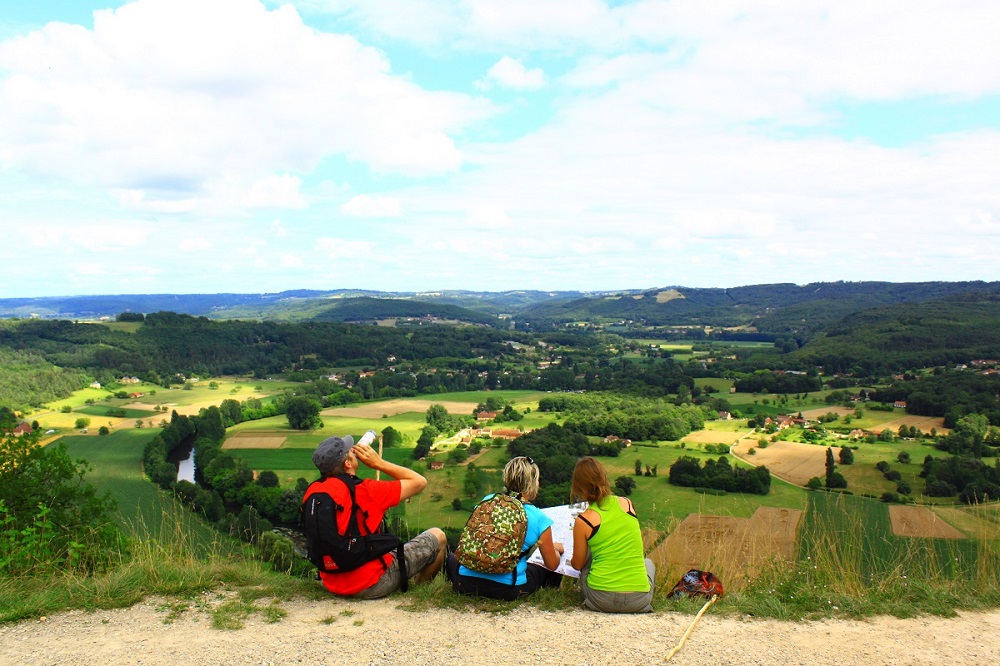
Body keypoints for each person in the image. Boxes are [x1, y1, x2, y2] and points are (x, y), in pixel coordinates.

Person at [303, 433, 447, 598]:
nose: (354, 450)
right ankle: (420, 592)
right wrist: (378, 463)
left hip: (330, 582)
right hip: (369, 583)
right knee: (438, 536)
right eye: (350, 451)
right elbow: (420, 481)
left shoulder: (312, 492)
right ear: (348, 463)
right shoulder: (367, 490)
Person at [446, 456, 564, 600]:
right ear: (532, 484)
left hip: (463, 583)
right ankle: (554, 595)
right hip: (507, 590)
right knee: (541, 567)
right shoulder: (540, 518)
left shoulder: (488, 500)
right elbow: (552, 564)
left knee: (452, 557)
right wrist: (556, 550)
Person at [570, 456, 655, 613]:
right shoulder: (627, 504)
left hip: (601, 599)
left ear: (578, 487)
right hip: (638, 601)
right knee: (648, 563)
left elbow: (577, 565)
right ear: (604, 478)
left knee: (588, 559)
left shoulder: (584, 520)